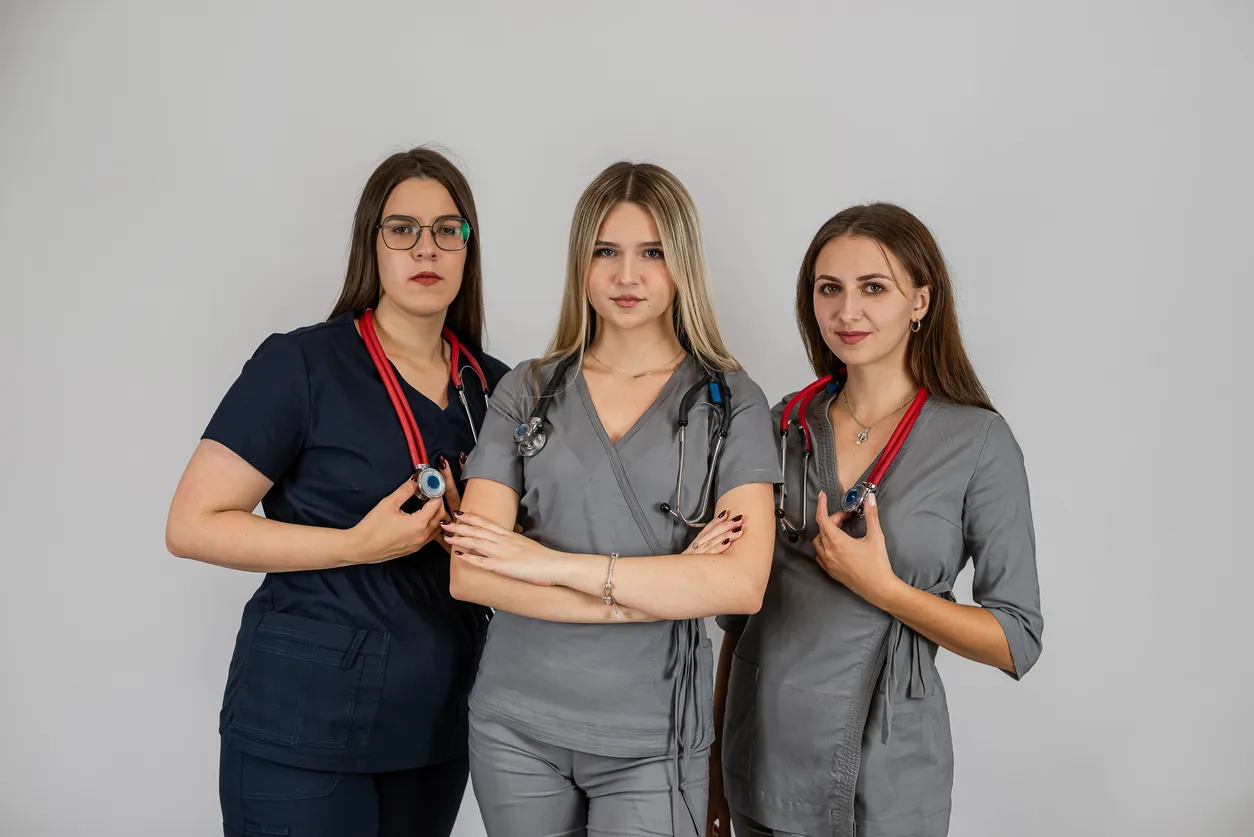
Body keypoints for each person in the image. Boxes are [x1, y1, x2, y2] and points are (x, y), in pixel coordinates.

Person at [165, 147, 511, 837]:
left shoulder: (496, 388)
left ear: (469, 248)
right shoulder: (301, 364)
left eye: (449, 229)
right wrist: (357, 544)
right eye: (402, 229)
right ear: (372, 245)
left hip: (435, 732)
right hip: (302, 729)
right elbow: (193, 522)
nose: (427, 248)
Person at [439, 161, 781, 837]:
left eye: (652, 252)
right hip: (515, 727)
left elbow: (741, 584)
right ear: (581, 262)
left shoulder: (731, 401)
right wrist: (669, 584)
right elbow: (472, 572)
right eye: (607, 252)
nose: (628, 276)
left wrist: (542, 562)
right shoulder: (528, 391)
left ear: (682, 262)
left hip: (655, 737)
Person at [709, 203, 1045, 837]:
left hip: (888, 774)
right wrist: (712, 771)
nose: (847, 312)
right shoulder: (780, 426)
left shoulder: (977, 443)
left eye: (874, 288)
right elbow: (736, 621)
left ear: (921, 300)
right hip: (761, 757)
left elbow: (1016, 639)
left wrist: (884, 590)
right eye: (828, 289)